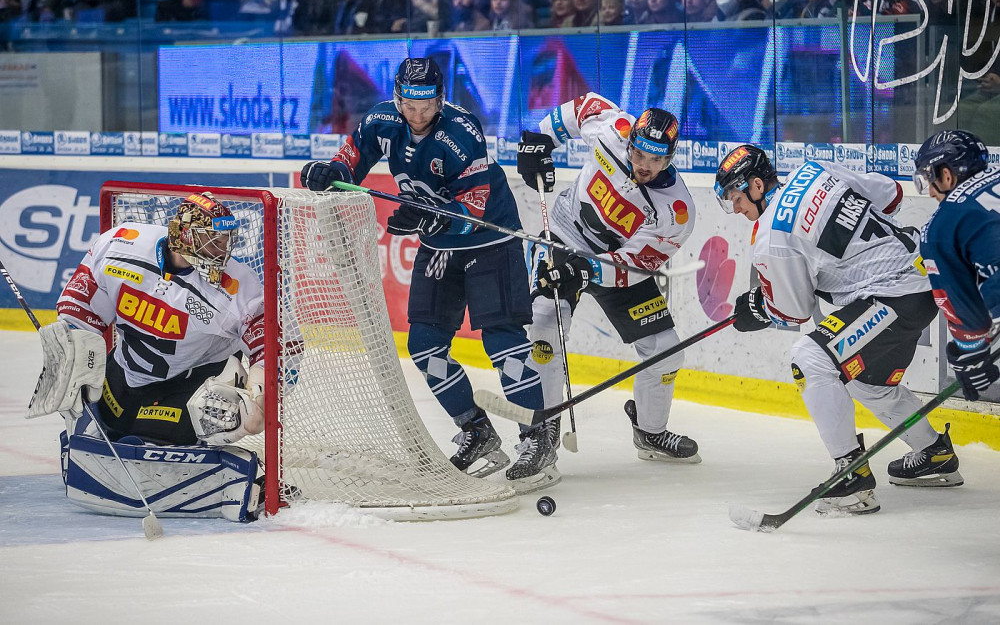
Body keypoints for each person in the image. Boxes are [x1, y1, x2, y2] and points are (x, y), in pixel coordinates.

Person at [300, 58, 553, 492]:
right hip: (439, 249)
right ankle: (476, 430)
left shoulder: (462, 132)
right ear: (398, 98)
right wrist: (329, 173)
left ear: (440, 99)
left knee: (503, 340)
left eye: (427, 106)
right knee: (423, 345)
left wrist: (430, 216)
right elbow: (351, 160)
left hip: (489, 241)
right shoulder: (381, 120)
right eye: (410, 105)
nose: (418, 115)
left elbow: (473, 207)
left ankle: (537, 436)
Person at [714, 145, 963, 517]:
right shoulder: (814, 170)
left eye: (736, 198)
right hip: (922, 275)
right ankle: (934, 452)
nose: (736, 209)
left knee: (809, 358)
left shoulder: (771, 237)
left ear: (756, 186)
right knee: (868, 383)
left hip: (894, 297)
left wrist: (759, 308)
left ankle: (851, 475)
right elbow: (892, 196)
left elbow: (794, 311)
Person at [28, 192, 268, 521]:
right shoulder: (121, 245)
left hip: (188, 393)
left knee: (234, 408)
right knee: (74, 375)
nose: (221, 250)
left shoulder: (238, 286)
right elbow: (81, 309)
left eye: (225, 240)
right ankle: (102, 435)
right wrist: (69, 356)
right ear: (183, 237)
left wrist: (261, 394)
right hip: (123, 381)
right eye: (211, 240)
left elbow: (279, 345)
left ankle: (206, 455)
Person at [516, 93, 701, 464]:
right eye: (639, 154)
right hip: (565, 234)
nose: (644, 166)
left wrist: (586, 270)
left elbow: (634, 265)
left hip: (617, 265)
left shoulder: (676, 211)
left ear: (669, 158)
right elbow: (580, 107)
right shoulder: (612, 128)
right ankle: (541, 432)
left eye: (656, 160)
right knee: (545, 321)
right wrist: (541, 139)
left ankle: (649, 431)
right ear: (629, 141)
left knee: (665, 350)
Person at [914, 130, 1000, 404]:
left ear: (946, 175)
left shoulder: (941, 226)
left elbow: (966, 316)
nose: (930, 192)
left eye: (928, 179)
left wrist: (970, 353)